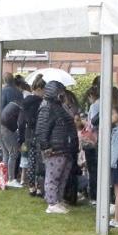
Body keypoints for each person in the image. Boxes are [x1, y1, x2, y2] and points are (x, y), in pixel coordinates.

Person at [36, 80, 76, 214]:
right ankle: (52, 203)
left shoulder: (58, 107)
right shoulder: (47, 107)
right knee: (53, 177)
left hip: (63, 147)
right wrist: (46, 146)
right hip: (55, 148)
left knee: (61, 177)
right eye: (60, 92)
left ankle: (57, 200)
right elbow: (42, 129)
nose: (63, 95)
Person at [19, 78, 45, 198]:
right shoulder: (42, 103)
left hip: (28, 134)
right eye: (44, 90)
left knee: (31, 161)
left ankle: (31, 187)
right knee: (39, 161)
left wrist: (22, 138)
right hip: (39, 133)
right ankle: (39, 188)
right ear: (39, 89)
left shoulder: (25, 102)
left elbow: (21, 121)